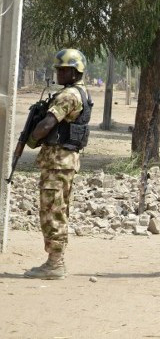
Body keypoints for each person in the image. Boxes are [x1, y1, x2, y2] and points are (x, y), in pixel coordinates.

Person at [24, 49, 93, 280]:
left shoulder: (69, 96)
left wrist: (31, 140)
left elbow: (48, 123)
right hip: (65, 162)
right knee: (59, 209)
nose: (59, 73)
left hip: (58, 162)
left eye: (63, 69)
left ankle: (55, 263)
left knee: (52, 210)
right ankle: (55, 260)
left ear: (74, 72)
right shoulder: (80, 93)